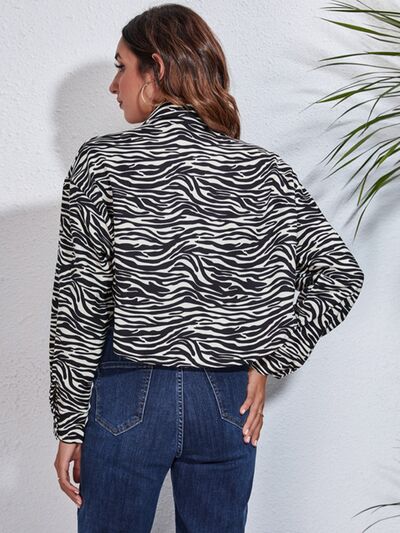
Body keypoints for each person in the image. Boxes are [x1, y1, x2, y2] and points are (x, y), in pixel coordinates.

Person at [49, 4, 365, 532]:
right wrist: (267, 360)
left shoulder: (101, 162)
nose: (113, 85)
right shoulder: (260, 169)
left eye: (122, 67)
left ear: (156, 68)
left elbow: (79, 304)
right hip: (226, 401)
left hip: (127, 394)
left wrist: (69, 422)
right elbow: (341, 274)